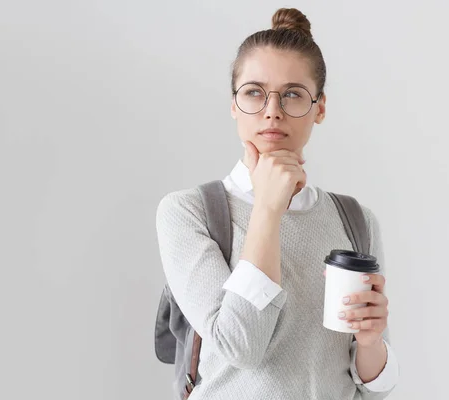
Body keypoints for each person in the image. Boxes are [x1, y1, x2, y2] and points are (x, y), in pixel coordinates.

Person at [156, 7, 399, 399]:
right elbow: (240, 347)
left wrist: (371, 343)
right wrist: (268, 207)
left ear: (319, 108)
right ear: (234, 105)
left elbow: (372, 388)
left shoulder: (356, 220)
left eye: (292, 94)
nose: (272, 110)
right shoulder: (189, 212)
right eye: (254, 92)